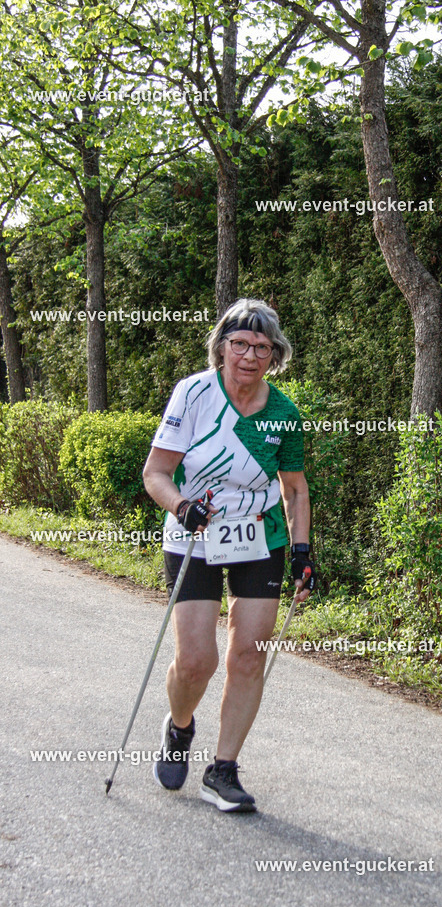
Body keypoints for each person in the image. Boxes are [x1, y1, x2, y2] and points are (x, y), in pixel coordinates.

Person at [142, 298, 316, 812]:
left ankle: (223, 769)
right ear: (221, 347)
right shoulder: (193, 393)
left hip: (259, 539)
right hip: (194, 531)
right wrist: (180, 506)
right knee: (197, 660)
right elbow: (156, 473)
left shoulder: (284, 414)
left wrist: (303, 551)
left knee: (249, 655)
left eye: (261, 347)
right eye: (239, 344)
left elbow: (295, 490)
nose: (249, 355)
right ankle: (178, 727)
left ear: (274, 355)